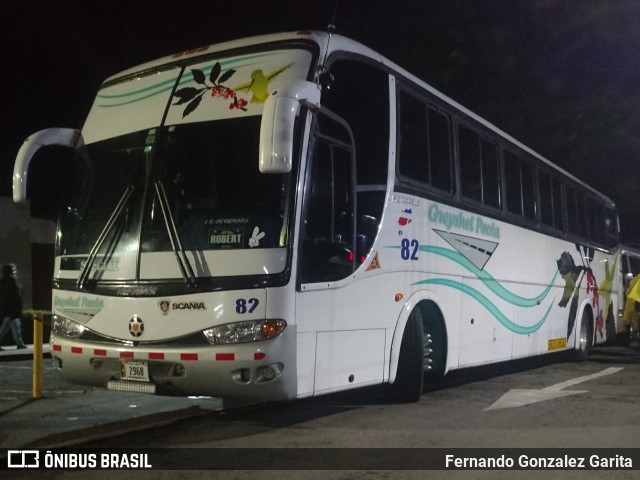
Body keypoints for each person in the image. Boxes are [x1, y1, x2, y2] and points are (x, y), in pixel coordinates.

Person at [0, 264, 27, 350]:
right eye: (14, 270)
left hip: (7, 308)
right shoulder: (12, 281)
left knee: (16, 325)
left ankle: (19, 343)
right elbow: (16, 296)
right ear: (11, 272)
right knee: (6, 327)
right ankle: (19, 343)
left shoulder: (2, 281)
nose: (15, 272)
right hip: (12, 308)